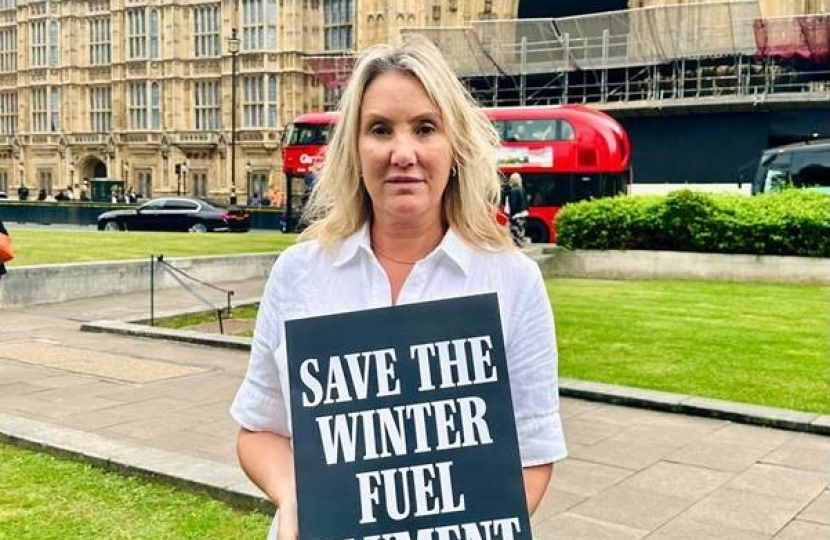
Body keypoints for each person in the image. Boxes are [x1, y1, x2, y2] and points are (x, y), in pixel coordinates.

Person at [230, 36, 566, 540]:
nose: (402, 152)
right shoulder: (298, 272)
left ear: (454, 147)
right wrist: (298, 498)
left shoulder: (514, 282)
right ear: (354, 150)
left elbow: (533, 455)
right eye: (380, 129)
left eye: (425, 128)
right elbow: (259, 429)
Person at [507, 172, 529, 246]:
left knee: (514, 229)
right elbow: (526, 201)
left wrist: (512, 214)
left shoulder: (513, 190)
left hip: (516, 214)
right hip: (523, 212)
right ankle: (520, 242)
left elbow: (513, 203)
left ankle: (517, 243)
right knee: (521, 229)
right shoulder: (522, 189)